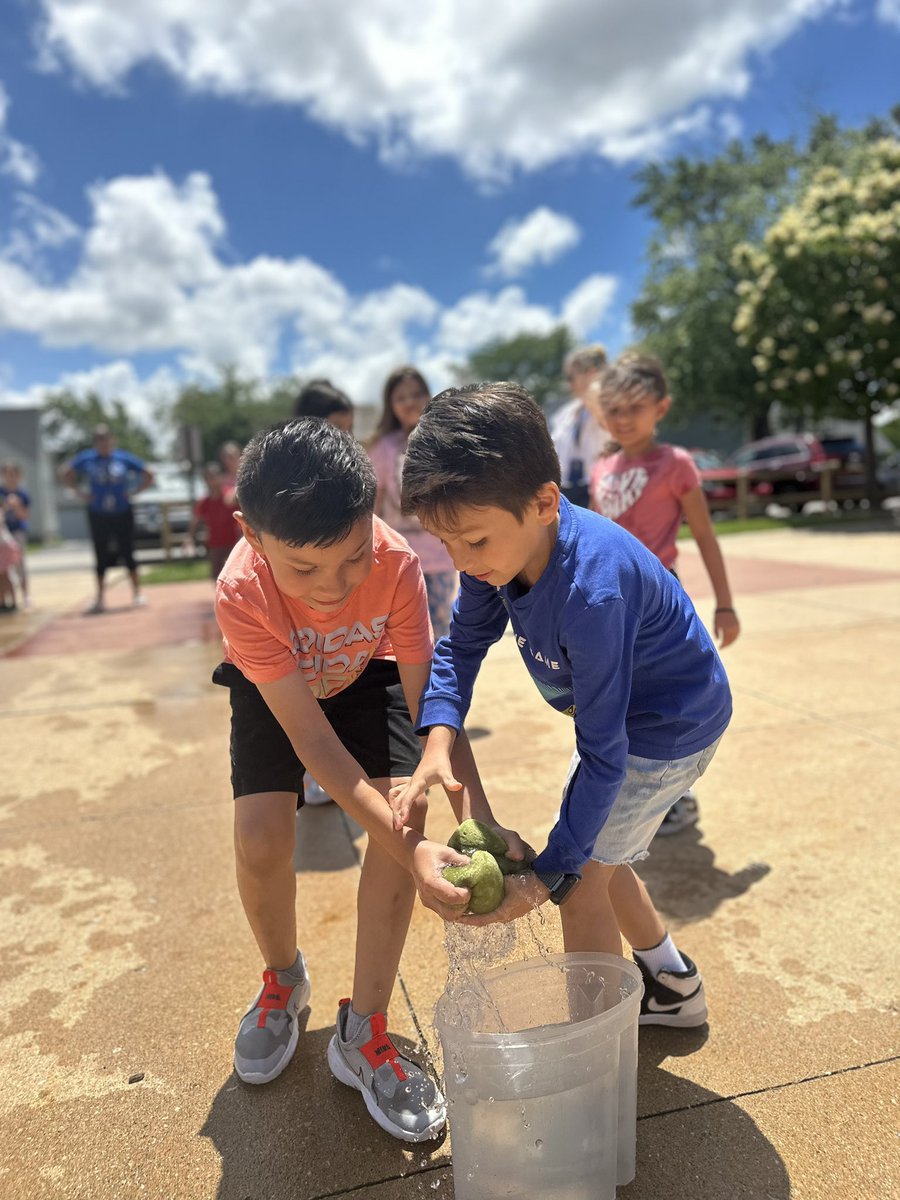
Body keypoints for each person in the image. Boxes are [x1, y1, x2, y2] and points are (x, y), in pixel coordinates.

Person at [390, 382, 733, 1028]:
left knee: (579, 884)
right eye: (448, 545)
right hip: (629, 728)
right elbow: (459, 649)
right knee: (602, 851)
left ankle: (594, 1053)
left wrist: (547, 877)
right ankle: (671, 983)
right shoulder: (500, 551)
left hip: (666, 730)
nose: (463, 562)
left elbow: (605, 759)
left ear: (545, 502)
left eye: (474, 542)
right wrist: (438, 738)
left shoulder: (590, 594)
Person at [212, 417, 472, 1141]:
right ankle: (282, 979)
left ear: (374, 515)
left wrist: (475, 815)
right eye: (305, 568)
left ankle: (365, 1031)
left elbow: (433, 709)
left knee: (403, 826)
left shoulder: (396, 564)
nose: (334, 587)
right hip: (279, 691)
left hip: (367, 675)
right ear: (251, 533)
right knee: (262, 836)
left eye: (353, 556)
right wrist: (409, 845)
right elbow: (311, 739)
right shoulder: (241, 590)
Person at [586, 354, 740, 835]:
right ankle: (619, 782)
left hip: (657, 603)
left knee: (661, 697)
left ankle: (678, 795)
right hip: (607, 603)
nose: (623, 418)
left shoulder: (676, 465)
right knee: (611, 695)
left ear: (661, 407)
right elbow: (590, 537)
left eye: (635, 407)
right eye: (613, 409)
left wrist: (726, 603)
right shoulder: (602, 467)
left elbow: (706, 535)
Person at [367, 367, 458, 638]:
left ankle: (438, 682)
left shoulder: (445, 439)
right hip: (398, 556)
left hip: (440, 553)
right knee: (403, 633)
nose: (410, 402)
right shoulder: (383, 448)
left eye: (416, 394)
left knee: (440, 631)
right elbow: (373, 504)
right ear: (390, 405)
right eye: (401, 397)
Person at [59, 426, 154, 614]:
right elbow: (65, 472)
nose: (103, 442)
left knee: (128, 551)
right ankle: (100, 597)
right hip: (98, 512)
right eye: (99, 439)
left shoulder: (122, 458)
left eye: (106, 438)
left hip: (122, 511)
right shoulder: (88, 458)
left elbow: (149, 473)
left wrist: (135, 492)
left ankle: (137, 593)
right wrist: (80, 493)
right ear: (95, 441)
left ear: (112, 440)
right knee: (100, 554)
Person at [549, 344, 608, 506]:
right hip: (567, 489)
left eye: (571, 377)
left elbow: (606, 420)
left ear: (591, 373)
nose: (569, 384)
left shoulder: (610, 405)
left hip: (598, 486)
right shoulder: (567, 412)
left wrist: (594, 386)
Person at [183, 463, 240, 580]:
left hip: (233, 542)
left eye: (214, 476)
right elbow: (196, 520)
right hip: (215, 544)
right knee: (217, 576)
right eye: (208, 478)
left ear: (221, 477)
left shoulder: (230, 497)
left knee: (236, 574)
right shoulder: (205, 502)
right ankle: (221, 598)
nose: (212, 481)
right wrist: (189, 538)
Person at [0, 461, 30, 609]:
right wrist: (6, 505)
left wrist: (17, 506)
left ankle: (25, 596)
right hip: (3, 533)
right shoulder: (1, 492)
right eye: (7, 474)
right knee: (3, 569)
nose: (10, 477)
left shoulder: (22, 493)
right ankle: (6, 599)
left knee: (20, 566)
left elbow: (24, 516)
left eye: (13, 474)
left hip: (17, 532)